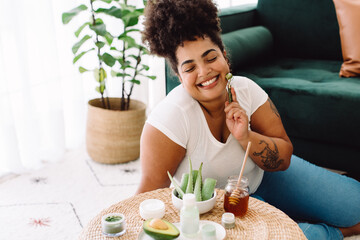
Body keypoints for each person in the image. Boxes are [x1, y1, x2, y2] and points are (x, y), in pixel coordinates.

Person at [136, 0, 360, 239]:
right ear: (180, 77)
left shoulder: (247, 90)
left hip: (265, 177)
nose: (204, 72)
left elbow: (283, 157)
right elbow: (144, 199)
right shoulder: (171, 118)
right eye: (190, 68)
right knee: (295, 236)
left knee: (355, 204)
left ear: (225, 57)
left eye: (211, 58)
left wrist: (246, 136)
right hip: (216, 209)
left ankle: (297, 214)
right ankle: (331, 231)